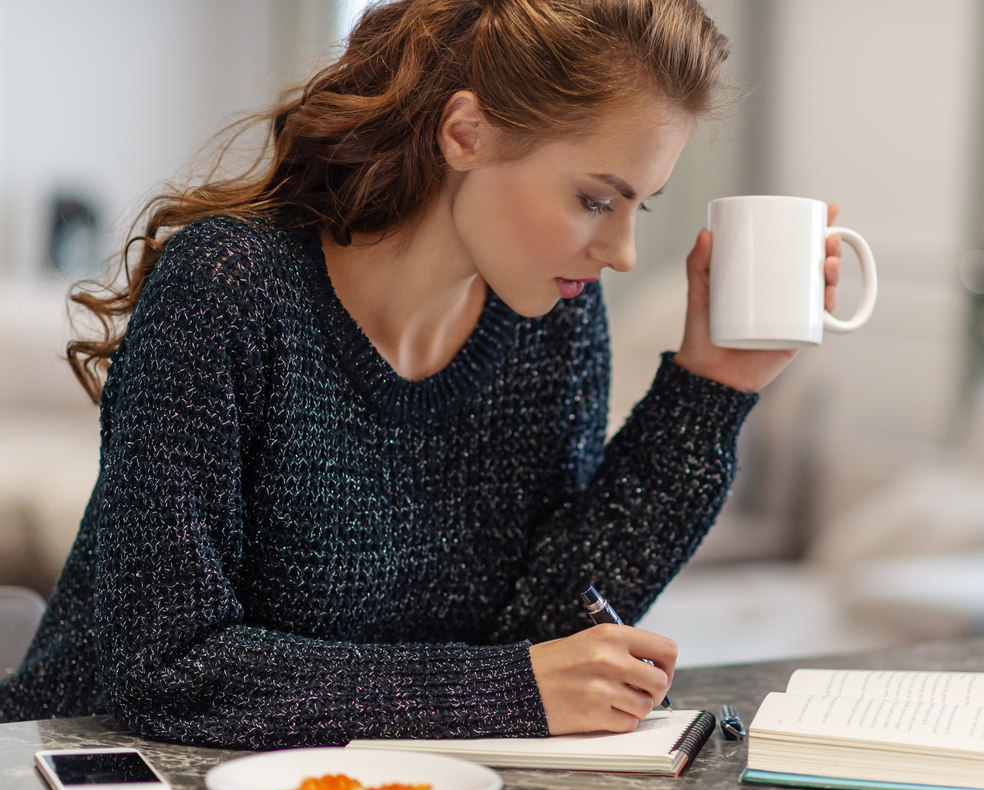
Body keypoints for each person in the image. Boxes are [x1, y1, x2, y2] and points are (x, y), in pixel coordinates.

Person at [0, 0, 844, 750]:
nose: (622, 252)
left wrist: (711, 386)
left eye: (639, 205)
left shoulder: (555, 316)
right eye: (596, 199)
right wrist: (507, 691)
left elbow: (551, 628)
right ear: (466, 133)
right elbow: (168, 668)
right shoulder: (227, 288)